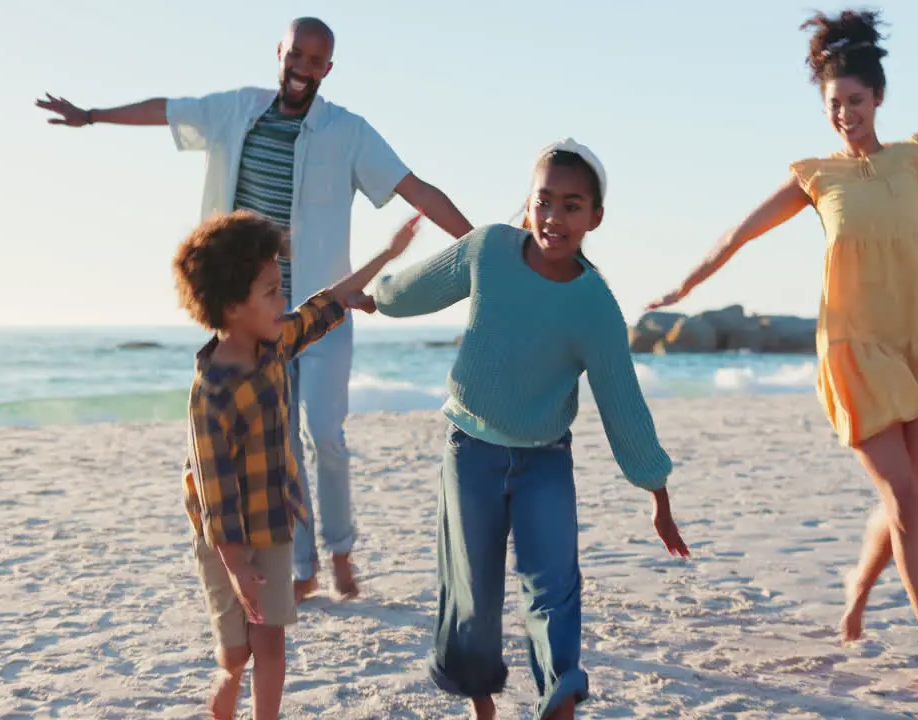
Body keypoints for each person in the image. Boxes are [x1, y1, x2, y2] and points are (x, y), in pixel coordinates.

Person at [646, 9, 918, 703]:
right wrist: (685, 285)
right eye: (834, 106)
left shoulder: (917, 155)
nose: (846, 116)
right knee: (906, 498)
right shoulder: (815, 177)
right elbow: (739, 232)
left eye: (856, 102)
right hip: (855, 350)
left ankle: (857, 590)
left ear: (877, 98)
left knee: (903, 496)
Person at [36, 17, 473, 601]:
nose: (303, 68)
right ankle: (306, 567)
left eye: (316, 61)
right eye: (296, 55)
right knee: (283, 445)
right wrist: (93, 115)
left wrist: (482, 247)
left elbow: (415, 189)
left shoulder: (348, 132)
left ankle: (342, 550)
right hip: (254, 318)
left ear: (327, 69)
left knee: (327, 435)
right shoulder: (237, 110)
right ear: (281, 54)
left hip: (322, 313)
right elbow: (169, 109)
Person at [366, 139, 690, 720]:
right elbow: (414, 289)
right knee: (473, 591)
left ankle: (560, 692)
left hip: (544, 460)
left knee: (554, 586)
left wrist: (656, 493)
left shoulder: (595, 306)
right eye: (544, 201)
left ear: (595, 217)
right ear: (527, 204)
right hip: (470, 452)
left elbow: (624, 404)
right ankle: (481, 702)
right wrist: (370, 295)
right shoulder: (488, 249)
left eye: (572, 205)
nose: (554, 217)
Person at [173, 209, 422, 720]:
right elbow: (215, 492)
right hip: (224, 541)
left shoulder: (273, 343)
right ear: (232, 305)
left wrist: (388, 255)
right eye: (269, 292)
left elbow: (326, 303)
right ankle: (225, 685)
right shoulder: (211, 392)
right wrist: (238, 567)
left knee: (271, 644)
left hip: (273, 523)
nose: (282, 300)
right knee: (237, 653)